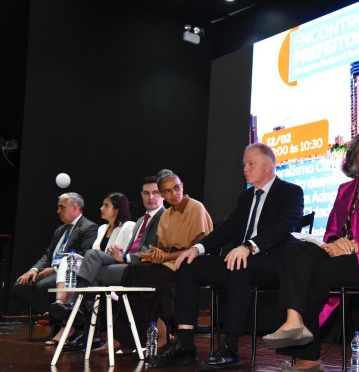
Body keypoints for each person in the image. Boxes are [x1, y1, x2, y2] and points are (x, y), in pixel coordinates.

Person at [261, 128, 359, 372]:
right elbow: (332, 228)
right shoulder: (344, 189)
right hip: (342, 253)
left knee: (314, 274)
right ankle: (293, 320)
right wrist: (333, 243)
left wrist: (354, 246)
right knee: (295, 250)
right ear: (354, 151)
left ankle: (309, 358)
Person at [145, 143, 304, 369]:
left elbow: (284, 227)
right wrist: (196, 249)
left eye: (251, 164)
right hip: (240, 259)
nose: (245, 169)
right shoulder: (246, 197)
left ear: (268, 166)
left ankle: (230, 347)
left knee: (239, 264)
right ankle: (185, 345)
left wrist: (249, 247)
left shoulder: (290, 191)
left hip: (274, 262)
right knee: (189, 265)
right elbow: (227, 229)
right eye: (243, 165)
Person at [110, 169, 213, 352]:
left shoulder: (195, 207)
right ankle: (131, 335)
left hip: (190, 264)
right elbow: (164, 249)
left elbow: (198, 248)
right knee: (133, 272)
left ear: (182, 186)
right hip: (169, 263)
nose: (173, 194)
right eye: (167, 191)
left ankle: (137, 336)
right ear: (163, 194)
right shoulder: (166, 215)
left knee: (143, 276)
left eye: (176, 188)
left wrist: (165, 257)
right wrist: (155, 255)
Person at [47, 192, 134, 344]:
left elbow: (127, 254)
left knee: (93, 254)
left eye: (106, 205)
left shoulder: (128, 226)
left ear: (117, 209)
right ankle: (62, 303)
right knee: (70, 258)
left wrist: (119, 255)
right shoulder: (102, 229)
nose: (101, 208)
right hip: (97, 268)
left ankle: (75, 303)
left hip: (115, 267)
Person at [12, 193, 97, 339]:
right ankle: (54, 315)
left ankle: (65, 323)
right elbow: (48, 255)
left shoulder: (88, 227)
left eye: (61, 207)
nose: (58, 211)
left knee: (41, 285)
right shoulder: (60, 230)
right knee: (20, 285)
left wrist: (55, 269)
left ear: (75, 208)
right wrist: (34, 269)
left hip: (69, 273)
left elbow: (83, 256)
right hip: (49, 271)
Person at [75, 176, 165, 288]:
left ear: (163, 194)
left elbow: (156, 250)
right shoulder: (140, 221)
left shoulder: (166, 218)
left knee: (92, 265)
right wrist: (119, 254)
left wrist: (125, 258)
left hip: (143, 267)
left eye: (155, 192)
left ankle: (75, 299)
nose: (150, 197)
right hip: (127, 262)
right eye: (146, 193)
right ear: (142, 195)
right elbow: (132, 248)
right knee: (92, 258)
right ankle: (79, 298)